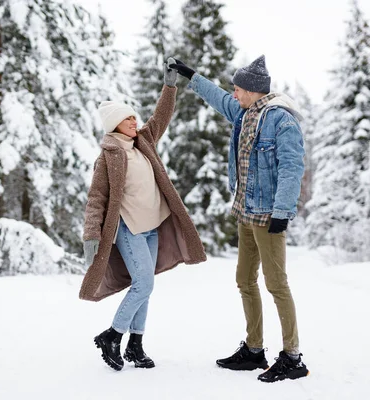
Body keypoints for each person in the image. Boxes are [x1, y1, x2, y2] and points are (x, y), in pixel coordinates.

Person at [168, 55, 309, 383]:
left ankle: (292, 357)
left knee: (277, 284)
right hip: (245, 211)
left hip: (268, 216)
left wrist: (282, 212)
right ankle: (254, 350)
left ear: (254, 91)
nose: (233, 93)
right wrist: (191, 76)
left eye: (238, 88)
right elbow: (217, 97)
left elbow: (292, 167)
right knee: (245, 280)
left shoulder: (281, 121)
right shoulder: (244, 113)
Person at [80, 58, 206, 372]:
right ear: (115, 125)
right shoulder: (109, 156)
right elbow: (96, 199)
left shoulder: (143, 142)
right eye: (128, 119)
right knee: (144, 285)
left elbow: (161, 117)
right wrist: (91, 235)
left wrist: (170, 86)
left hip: (152, 226)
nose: (135, 122)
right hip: (128, 228)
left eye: (135, 118)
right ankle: (112, 335)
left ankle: (135, 344)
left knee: (145, 283)